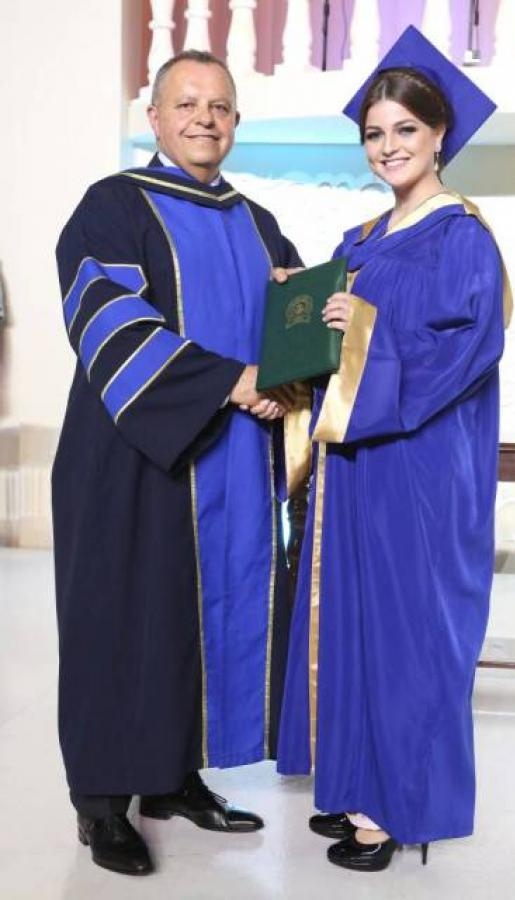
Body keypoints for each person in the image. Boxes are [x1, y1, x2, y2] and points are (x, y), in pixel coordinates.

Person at [53, 50, 301, 876]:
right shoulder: (113, 205)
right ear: (155, 118)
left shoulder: (258, 221)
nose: (205, 118)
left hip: (230, 461)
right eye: (187, 103)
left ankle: (172, 777)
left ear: (236, 124)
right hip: (130, 458)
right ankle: (101, 803)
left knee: (198, 620)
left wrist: (289, 378)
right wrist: (233, 381)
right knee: (119, 619)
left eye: (220, 106)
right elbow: (108, 320)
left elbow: (293, 326)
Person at [277, 26, 512, 873]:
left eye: (405, 129)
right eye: (374, 133)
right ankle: (356, 787)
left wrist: (365, 328)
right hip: (355, 467)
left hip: (418, 467)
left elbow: (467, 351)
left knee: (409, 634)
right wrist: (299, 319)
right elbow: (330, 349)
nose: (388, 146)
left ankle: (397, 809)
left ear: (440, 133)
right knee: (352, 624)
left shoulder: (461, 237)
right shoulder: (363, 237)